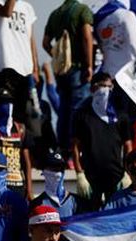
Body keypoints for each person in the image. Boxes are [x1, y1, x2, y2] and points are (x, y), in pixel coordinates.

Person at [30, 150, 90, 241]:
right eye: (52, 169)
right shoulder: (36, 204)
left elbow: (86, 235)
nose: (57, 174)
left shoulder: (77, 202)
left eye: (60, 169)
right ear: (44, 172)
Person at [72, 73, 133, 210]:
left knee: (117, 215)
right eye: (102, 86)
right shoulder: (82, 114)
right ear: (93, 89)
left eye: (109, 87)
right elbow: (75, 146)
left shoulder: (121, 115)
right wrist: (79, 173)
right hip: (90, 176)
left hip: (116, 176)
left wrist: (128, 172)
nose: (106, 90)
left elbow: (128, 145)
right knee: (89, 215)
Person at [43, 0, 94, 155]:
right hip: (78, 69)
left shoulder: (55, 14)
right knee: (78, 111)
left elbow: (45, 43)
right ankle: (76, 151)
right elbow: (87, 37)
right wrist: (89, 65)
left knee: (64, 111)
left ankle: (63, 150)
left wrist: (58, 58)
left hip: (62, 72)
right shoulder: (82, 10)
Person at [0, 0, 40, 117]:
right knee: (6, 109)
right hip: (6, 63)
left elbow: (31, 39)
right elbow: (7, 12)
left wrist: (35, 68)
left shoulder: (27, 7)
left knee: (22, 113)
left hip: (25, 67)